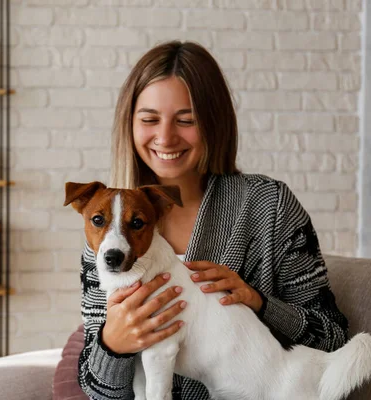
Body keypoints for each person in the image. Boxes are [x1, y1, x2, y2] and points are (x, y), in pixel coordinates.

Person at [77, 40, 349, 399]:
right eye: (149, 119)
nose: (165, 136)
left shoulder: (270, 207)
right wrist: (112, 343)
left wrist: (259, 302)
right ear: (129, 124)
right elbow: (97, 389)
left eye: (186, 120)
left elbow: (333, 337)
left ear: (213, 122)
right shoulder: (107, 233)